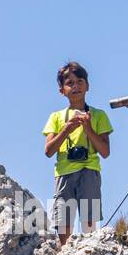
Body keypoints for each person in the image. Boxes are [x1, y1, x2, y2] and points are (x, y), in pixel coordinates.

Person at [42, 61, 113, 245]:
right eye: (70, 83)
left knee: (89, 220)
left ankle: (90, 252)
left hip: (89, 170)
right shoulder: (56, 117)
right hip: (64, 172)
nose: (75, 86)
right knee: (63, 222)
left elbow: (105, 151)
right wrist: (66, 129)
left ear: (87, 85)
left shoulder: (98, 115)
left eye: (80, 81)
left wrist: (88, 128)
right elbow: (48, 151)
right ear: (61, 90)